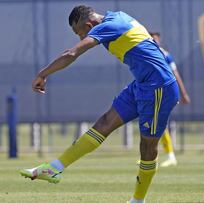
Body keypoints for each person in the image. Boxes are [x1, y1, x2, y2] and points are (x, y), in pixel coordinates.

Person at [19, 5, 179, 203]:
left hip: (159, 88)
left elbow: (71, 54)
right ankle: (54, 168)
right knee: (104, 123)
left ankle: (138, 200)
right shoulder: (118, 16)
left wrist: (42, 74)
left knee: (147, 147)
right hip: (141, 84)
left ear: (89, 24)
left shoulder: (108, 26)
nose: (81, 38)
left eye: (80, 33)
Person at [149, 32, 191, 167]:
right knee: (152, 122)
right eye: (152, 38)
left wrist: (183, 93)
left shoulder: (164, 55)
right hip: (152, 91)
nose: (154, 40)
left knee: (158, 123)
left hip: (164, 91)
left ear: (159, 40)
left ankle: (169, 156)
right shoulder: (146, 52)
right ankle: (155, 155)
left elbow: (175, 74)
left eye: (156, 38)